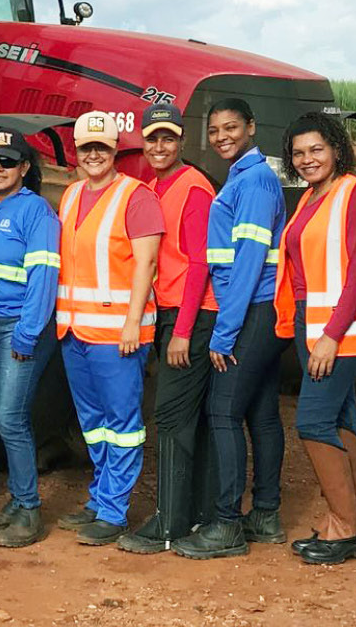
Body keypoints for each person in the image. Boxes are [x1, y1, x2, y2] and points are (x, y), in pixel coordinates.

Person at [171, 98, 289, 560]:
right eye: (215, 130)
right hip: (255, 309)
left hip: (251, 310)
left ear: (251, 127)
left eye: (231, 128)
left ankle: (226, 524)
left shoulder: (255, 181)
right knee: (259, 413)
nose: (222, 137)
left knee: (222, 413)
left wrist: (225, 331)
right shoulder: (243, 177)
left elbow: (247, 263)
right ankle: (265, 513)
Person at [272, 112, 356, 565]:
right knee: (338, 415)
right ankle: (343, 514)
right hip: (312, 323)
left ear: (337, 149)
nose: (307, 160)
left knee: (313, 420)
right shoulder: (310, 198)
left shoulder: (354, 192)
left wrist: (330, 336)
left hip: (340, 332)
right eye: (298, 153)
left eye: (316, 150)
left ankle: (348, 528)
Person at [115, 103, 222, 555]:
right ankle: (198, 514)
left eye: (168, 138)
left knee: (173, 418)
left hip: (190, 316)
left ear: (181, 141)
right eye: (153, 138)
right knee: (190, 419)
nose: (159, 146)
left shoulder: (193, 187)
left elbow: (200, 261)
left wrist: (182, 329)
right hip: (173, 312)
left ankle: (168, 524)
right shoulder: (158, 185)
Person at [54, 112, 164, 546]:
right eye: (86, 147)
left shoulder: (135, 197)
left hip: (119, 334)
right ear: (77, 152)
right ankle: (101, 497)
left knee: (123, 424)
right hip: (75, 332)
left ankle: (115, 510)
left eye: (102, 146)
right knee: (94, 423)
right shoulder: (71, 194)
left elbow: (147, 263)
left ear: (116, 149)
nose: (94, 154)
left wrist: (133, 322)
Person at [0, 129, 61, 549]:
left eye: (7, 162)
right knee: (8, 419)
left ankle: (29, 509)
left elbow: (44, 276)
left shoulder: (36, 211)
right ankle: (19, 504)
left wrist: (27, 331)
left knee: (11, 418)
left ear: (24, 167)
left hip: (16, 331)